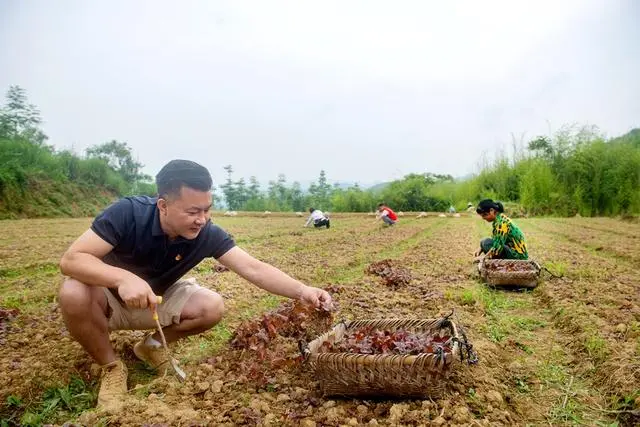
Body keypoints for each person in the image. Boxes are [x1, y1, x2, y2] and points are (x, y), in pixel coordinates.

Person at [58, 160, 333, 411]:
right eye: (192, 211)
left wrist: (303, 291)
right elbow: (71, 260)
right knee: (72, 291)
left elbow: (253, 267)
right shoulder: (128, 213)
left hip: (156, 300)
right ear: (163, 205)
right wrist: (122, 278)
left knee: (210, 306)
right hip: (107, 300)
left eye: (206, 209)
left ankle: (151, 346)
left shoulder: (206, 233)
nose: (201, 219)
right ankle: (112, 366)